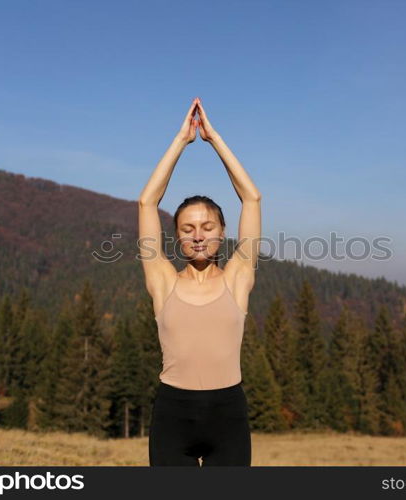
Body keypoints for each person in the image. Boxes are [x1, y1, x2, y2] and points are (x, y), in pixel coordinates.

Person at [138, 97, 262, 466]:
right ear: (176, 236)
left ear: (222, 233)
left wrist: (213, 138)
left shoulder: (238, 279)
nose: (197, 235)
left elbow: (251, 198)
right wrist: (181, 140)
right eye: (187, 229)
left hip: (229, 415)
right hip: (172, 415)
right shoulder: (163, 282)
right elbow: (147, 203)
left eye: (207, 227)